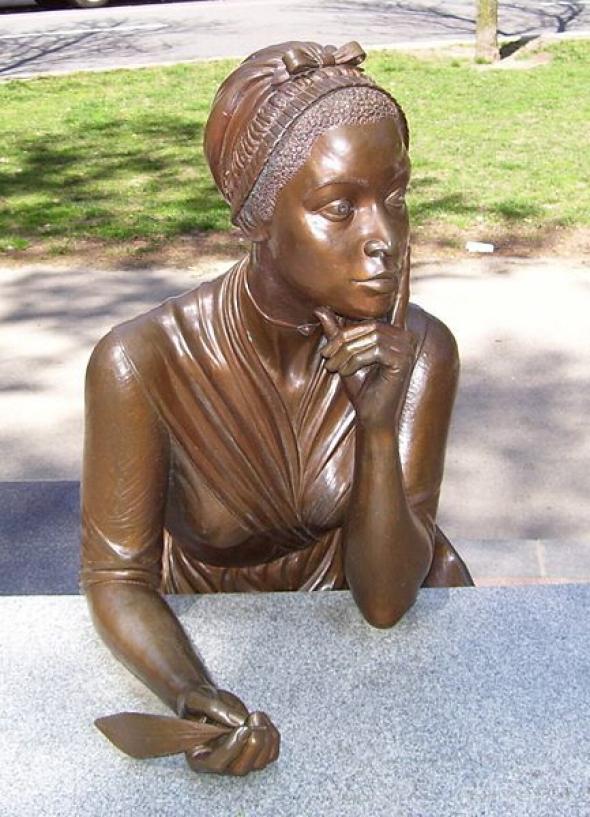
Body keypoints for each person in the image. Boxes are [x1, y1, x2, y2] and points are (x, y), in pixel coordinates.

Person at [81, 40, 473, 777]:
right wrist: (190, 691)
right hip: (212, 628)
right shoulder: (143, 362)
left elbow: (385, 603)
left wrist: (377, 428)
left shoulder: (419, 350)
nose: (384, 239)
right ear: (257, 219)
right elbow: (116, 578)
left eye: (395, 197)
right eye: (339, 208)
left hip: (363, 632)